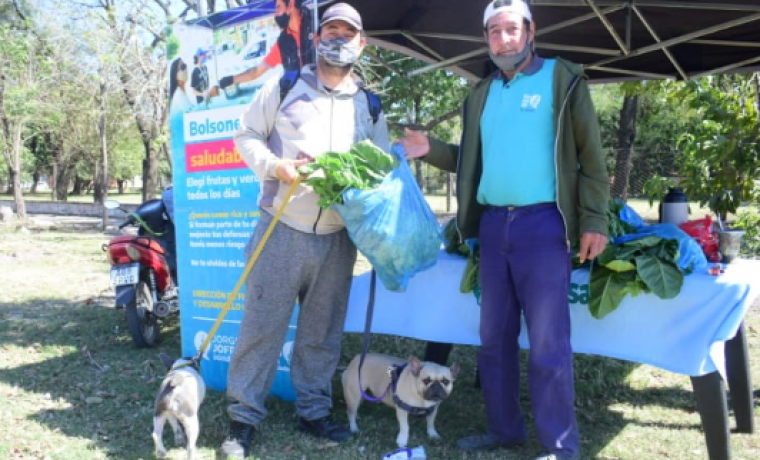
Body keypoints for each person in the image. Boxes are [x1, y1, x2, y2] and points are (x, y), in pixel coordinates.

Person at [399, 1, 610, 459]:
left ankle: (559, 445)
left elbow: (591, 157)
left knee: (548, 343)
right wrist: (429, 148)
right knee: (493, 338)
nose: (503, 39)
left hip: (544, 225)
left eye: (511, 29)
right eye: (494, 32)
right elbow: (470, 161)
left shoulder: (563, 78)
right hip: (494, 227)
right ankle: (503, 430)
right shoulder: (480, 93)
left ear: (531, 31)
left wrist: (595, 219)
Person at [220, 3, 389, 459]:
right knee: (262, 327)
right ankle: (242, 420)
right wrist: (276, 166)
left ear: (361, 43)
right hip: (281, 226)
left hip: (338, 237)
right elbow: (246, 136)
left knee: (322, 333)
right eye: (331, 31)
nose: (339, 40)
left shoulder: (369, 105)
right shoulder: (286, 84)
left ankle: (314, 411)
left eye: (348, 33)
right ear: (316, 39)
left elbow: (383, 168)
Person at [217, 0, 315, 92]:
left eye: (278, 7)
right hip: (300, 98)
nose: (275, 14)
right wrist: (231, 80)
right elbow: (255, 72)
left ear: (291, 5)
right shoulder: (282, 44)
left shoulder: (315, 22)